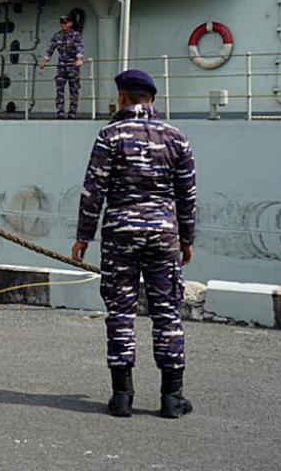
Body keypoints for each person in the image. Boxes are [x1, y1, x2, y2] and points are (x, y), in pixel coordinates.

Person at [71, 70, 196, 419]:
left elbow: (93, 190)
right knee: (167, 312)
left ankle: (122, 397)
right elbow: (187, 194)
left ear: (123, 97)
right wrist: (187, 239)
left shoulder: (109, 136)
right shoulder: (177, 137)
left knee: (121, 311)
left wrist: (84, 235)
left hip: (120, 234)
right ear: (152, 99)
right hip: (164, 234)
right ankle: (172, 398)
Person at [40, 14, 84, 119]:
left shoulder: (76, 35)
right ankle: (60, 112)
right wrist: (44, 60)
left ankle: (72, 112)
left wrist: (79, 59)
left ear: (70, 24)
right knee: (59, 90)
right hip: (61, 66)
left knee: (74, 90)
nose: (63, 25)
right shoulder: (57, 36)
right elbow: (50, 49)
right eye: (62, 23)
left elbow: (79, 48)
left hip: (73, 67)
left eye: (65, 22)